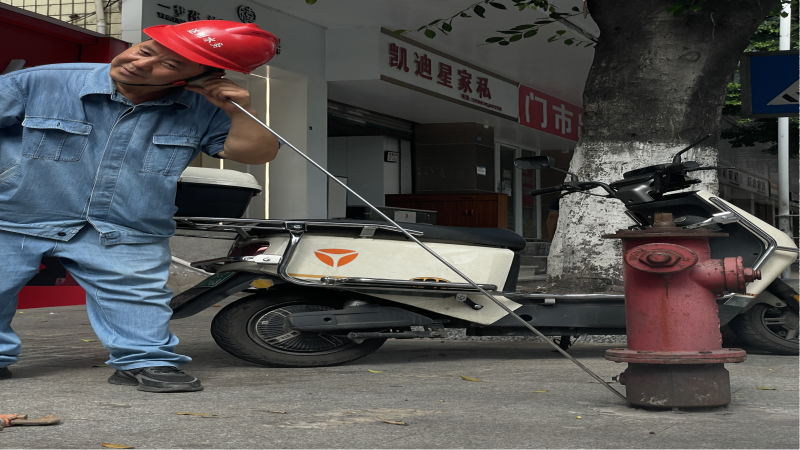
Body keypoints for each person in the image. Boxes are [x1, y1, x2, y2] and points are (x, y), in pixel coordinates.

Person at [0, 20, 281, 392]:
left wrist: (239, 110)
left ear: (202, 77)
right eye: (145, 50)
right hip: (15, 213)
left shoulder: (206, 107)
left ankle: (145, 361)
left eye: (169, 64)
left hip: (125, 222)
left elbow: (257, 153)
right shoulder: (40, 82)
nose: (140, 63)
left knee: (137, 296)